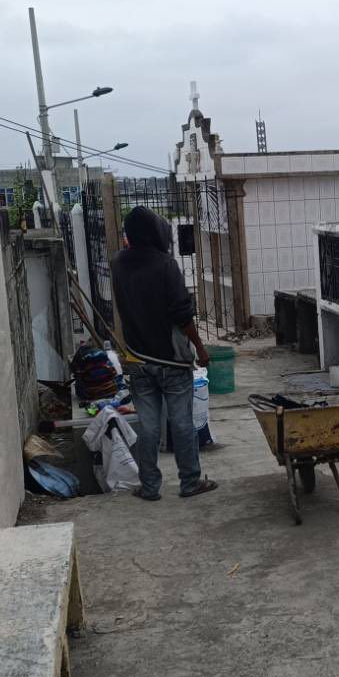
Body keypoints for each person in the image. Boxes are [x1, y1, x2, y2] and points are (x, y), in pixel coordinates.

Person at [111, 206, 218, 503]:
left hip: (137, 359)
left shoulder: (118, 263)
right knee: (181, 422)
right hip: (171, 360)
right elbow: (182, 315)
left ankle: (149, 487)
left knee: (148, 426)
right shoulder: (165, 264)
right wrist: (200, 347)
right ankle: (190, 482)